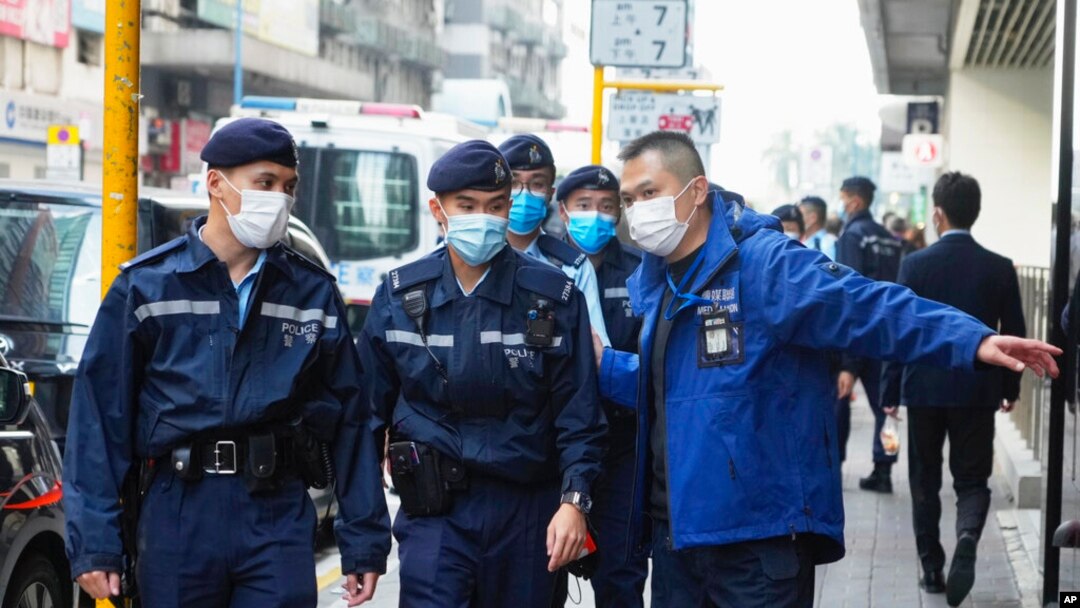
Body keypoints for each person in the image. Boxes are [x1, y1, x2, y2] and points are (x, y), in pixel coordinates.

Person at [595, 131, 1060, 607]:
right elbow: (678, 387)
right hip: (678, 543)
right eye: (629, 200)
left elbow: (866, 305)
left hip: (756, 547)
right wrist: (605, 366)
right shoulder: (662, 281)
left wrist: (970, 338)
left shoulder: (762, 265)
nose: (638, 211)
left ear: (696, 190)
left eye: (649, 193)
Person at [62, 118, 390, 607]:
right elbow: (98, 421)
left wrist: (364, 540)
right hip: (178, 512)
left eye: (288, 186)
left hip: (277, 513)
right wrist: (95, 543)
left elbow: (351, 419)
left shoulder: (311, 292)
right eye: (265, 183)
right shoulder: (148, 288)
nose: (279, 198)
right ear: (216, 183)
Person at [358, 140, 607, 607]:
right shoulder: (398, 299)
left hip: (528, 514)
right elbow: (365, 423)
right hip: (435, 513)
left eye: (495, 206)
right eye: (466, 206)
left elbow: (581, 418)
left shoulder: (554, 299)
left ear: (508, 206)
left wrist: (574, 503)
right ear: (438, 209)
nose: (483, 218)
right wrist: (363, 542)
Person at [881, 172, 1026, 606]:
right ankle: (967, 534)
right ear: (975, 213)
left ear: (938, 214)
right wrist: (1010, 386)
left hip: (923, 388)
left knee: (924, 480)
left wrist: (889, 390)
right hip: (977, 389)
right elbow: (1014, 331)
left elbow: (897, 330)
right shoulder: (999, 267)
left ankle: (931, 570)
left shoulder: (915, 264)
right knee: (972, 479)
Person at [556, 165, 647, 607]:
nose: (596, 217)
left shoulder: (641, 271)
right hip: (558, 448)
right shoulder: (544, 266)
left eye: (607, 207)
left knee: (620, 575)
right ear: (564, 210)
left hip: (622, 447)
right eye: (584, 206)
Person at [498, 134, 612, 347]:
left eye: (537, 184)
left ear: (550, 194)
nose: (525, 194)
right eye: (513, 182)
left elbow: (595, 350)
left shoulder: (573, 268)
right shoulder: (466, 258)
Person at [835, 176, 906, 491]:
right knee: (886, 407)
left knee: (838, 402)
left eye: (843, 198)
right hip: (886, 332)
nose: (842, 204)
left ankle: (833, 466)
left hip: (858, 333)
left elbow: (848, 291)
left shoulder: (853, 236)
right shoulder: (890, 239)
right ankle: (885, 469)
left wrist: (847, 359)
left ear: (855, 201)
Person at [799, 195, 837, 260]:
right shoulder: (804, 241)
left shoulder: (827, 243)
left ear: (813, 218)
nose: (796, 219)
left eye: (800, 215)